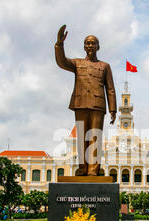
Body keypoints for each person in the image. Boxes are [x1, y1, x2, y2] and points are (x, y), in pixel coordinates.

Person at [55, 25, 117, 176]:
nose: (90, 45)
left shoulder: (105, 66)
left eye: (93, 43)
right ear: (84, 47)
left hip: (98, 105)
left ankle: (93, 170)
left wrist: (113, 109)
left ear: (98, 47)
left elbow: (110, 88)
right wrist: (59, 44)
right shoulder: (77, 63)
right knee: (82, 136)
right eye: (87, 43)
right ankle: (82, 168)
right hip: (80, 103)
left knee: (95, 137)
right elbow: (61, 62)